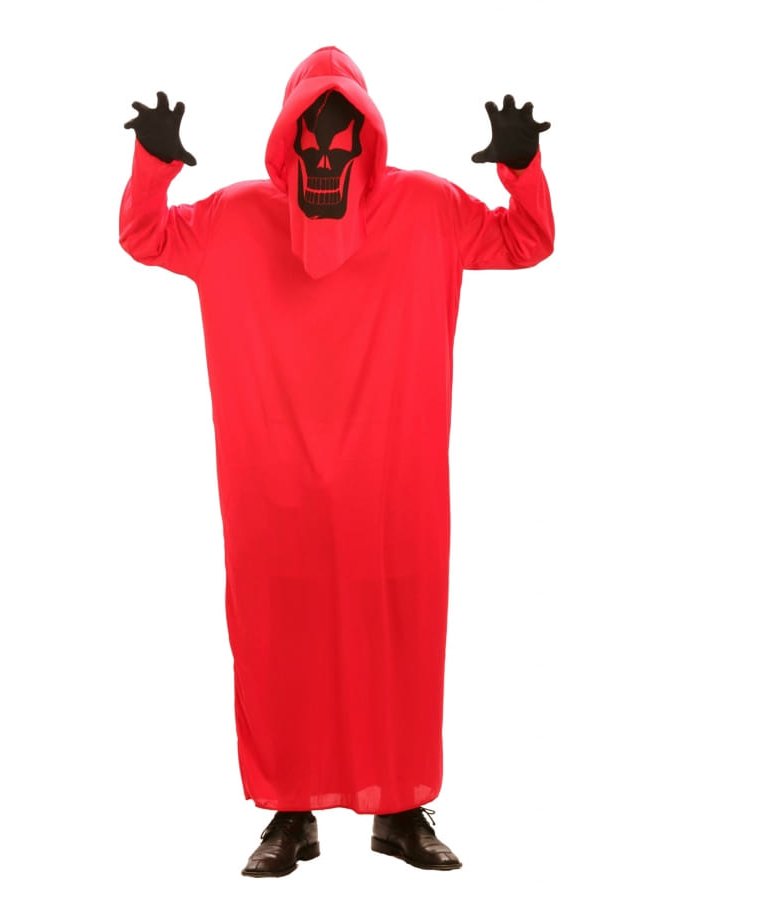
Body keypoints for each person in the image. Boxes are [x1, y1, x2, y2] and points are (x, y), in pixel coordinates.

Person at [119, 46, 554, 877]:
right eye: (310, 141)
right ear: (288, 143)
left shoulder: (426, 208)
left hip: (394, 486)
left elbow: (526, 240)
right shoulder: (236, 218)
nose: (325, 158)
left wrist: (523, 167)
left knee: (399, 636)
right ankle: (290, 813)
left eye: (339, 141)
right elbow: (145, 234)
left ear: (368, 142)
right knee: (281, 639)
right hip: (272, 488)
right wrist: (154, 162)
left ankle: (400, 809)